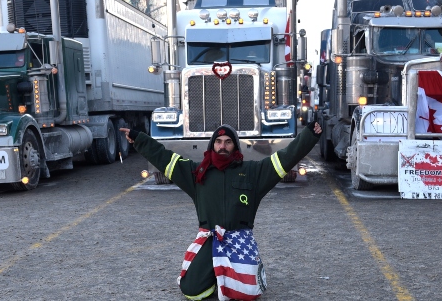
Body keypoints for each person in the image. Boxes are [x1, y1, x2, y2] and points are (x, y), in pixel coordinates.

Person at [119, 121, 322, 300]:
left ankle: (230, 274)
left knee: (249, 293)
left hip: (239, 240)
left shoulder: (253, 172)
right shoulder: (198, 173)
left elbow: (285, 158)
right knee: (192, 291)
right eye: (218, 141)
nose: (222, 146)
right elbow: (165, 158)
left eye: (227, 142)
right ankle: (217, 277)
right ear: (212, 145)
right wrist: (139, 139)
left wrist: (309, 135)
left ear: (235, 145)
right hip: (211, 239)